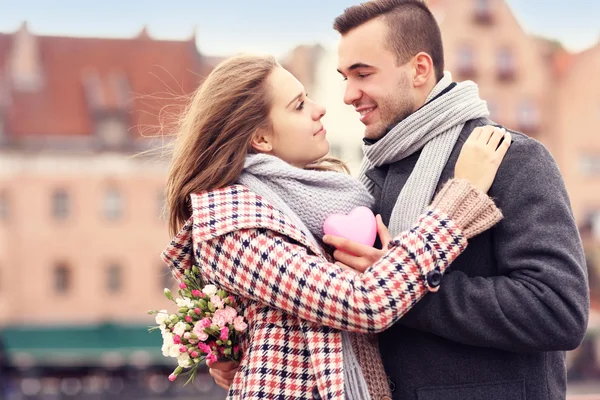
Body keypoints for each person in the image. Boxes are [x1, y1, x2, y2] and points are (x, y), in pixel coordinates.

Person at [209, 1, 590, 399]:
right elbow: (324, 303)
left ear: (420, 69)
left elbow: (558, 310)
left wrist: (407, 289)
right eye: (344, 77)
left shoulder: (508, 158)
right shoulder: (364, 182)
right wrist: (239, 346)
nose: (347, 95)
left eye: (363, 74)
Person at [161, 53, 509, 399]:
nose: (319, 108)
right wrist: (459, 200)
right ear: (261, 139)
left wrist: (233, 346)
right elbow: (365, 303)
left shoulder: (314, 197)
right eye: (298, 106)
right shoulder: (231, 226)